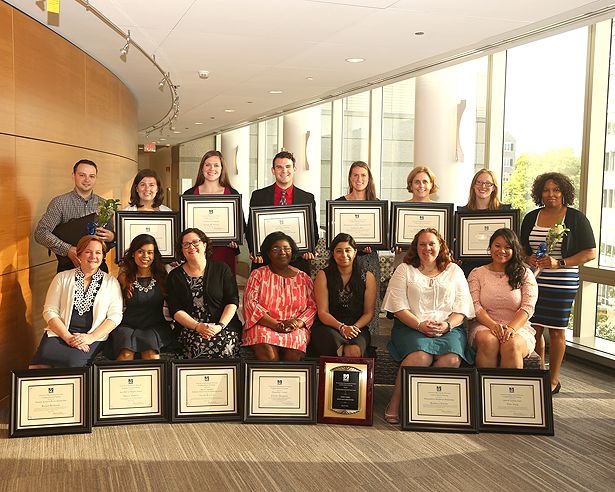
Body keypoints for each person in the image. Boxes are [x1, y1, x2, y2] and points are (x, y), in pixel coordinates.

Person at [381, 228, 474, 424]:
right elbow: (397, 306)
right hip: (410, 326)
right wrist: (419, 325)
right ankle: (396, 403)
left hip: (450, 328)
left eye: (432, 243)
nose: (427, 248)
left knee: (451, 360)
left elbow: (463, 306)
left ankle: (428, 408)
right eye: (422, 244)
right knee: (420, 357)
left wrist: (447, 325)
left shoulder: (454, 271)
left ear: (440, 246)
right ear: (416, 247)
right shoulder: (404, 269)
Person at [520, 172, 596, 394]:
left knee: (556, 331)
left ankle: (553, 380)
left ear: (564, 192)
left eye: (556, 190)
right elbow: (522, 249)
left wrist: (559, 262)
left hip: (562, 281)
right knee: (534, 329)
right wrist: (528, 258)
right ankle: (539, 373)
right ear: (539, 193)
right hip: (534, 280)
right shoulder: (531, 217)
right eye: (546, 190)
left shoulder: (575, 218)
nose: (550, 194)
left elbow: (590, 253)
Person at [29, 236, 123, 368]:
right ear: (78, 254)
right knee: (37, 366)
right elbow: (50, 311)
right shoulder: (62, 277)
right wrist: (67, 337)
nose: (93, 256)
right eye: (88, 252)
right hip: (60, 334)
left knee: (72, 365)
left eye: (98, 252)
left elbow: (115, 316)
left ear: (102, 256)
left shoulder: (111, 282)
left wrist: (90, 337)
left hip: (92, 337)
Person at [468, 228, 538, 368]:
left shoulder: (525, 274)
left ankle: (509, 390)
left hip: (518, 327)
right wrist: (493, 326)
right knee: (489, 341)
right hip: (484, 325)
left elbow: (527, 308)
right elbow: (475, 306)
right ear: (490, 247)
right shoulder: (477, 273)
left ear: (514, 250)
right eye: (497, 246)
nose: (502, 251)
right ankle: (485, 389)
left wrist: (511, 328)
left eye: (508, 247)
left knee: (510, 343)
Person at [167, 228, 241, 358]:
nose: (191, 247)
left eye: (195, 242)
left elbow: (232, 301)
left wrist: (220, 326)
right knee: (197, 347)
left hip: (223, 325)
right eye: (186, 244)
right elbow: (176, 310)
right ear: (182, 249)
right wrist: (198, 326)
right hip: (190, 328)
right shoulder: (175, 276)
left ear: (205, 245)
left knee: (225, 346)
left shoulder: (222, 269)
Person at [243, 231, 317, 361]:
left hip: (294, 327)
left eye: (286, 248)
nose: (282, 252)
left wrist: (298, 323)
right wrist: (276, 325)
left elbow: (312, 307)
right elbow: (251, 304)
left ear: (292, 251)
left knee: (295, 351)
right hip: (264, 325)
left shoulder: (304, 278)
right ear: (268, 253)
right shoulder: (258, 274)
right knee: (267, 352)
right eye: (275, 249)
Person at [35, 159, 115, 272]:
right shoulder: (60, 203)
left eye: (92, 176)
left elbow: (109, 241)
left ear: (96, 178)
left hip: (98, 267)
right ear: (73, 175)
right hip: (69, 267)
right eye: (82, 175)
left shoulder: (105, 205)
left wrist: (111, 237)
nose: (87, 180)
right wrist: (67, 249)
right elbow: (41, 232)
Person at [246, 151, 318, 274]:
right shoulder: (258, 196)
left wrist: (309, 249)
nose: (284, 170)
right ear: (273, 170)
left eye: (288, 166)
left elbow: (313, 230)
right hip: (265, 260)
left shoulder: (307, 198)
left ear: (294, 169)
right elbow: (251, 229)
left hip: (297, 261)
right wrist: (256, 251)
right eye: (279, 167)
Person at [308, 233, 376, 357]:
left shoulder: (367, 277)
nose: (344, 255)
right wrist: (342, 327)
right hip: (329, 325)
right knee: (338, 349)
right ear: (333, 254)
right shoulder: (323, 275)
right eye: (339, 251)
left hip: (357, 327)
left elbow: (369, 313)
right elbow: (323, 312)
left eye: (348, 250)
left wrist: (353, 328)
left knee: (353, 351)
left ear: (355, 252)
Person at [111, 234, 174, 360]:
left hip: (155, 325)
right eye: (140, 251)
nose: (145, 256)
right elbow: (114, 306)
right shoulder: (124, 278)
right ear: (133, 254)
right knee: (126, 355)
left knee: (151, 354)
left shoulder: (163, 277)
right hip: (128, 326)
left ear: (154, 255)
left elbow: (174, 304)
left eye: (150, 252)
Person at [336, 161, 381, 333]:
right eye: (355, 175)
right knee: (345, 297)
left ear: (369, 179)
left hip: (368, 259)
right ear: (349, 178)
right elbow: (336, 237)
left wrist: (373, 245)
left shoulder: (376, 204)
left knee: (370, 300)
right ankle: (344, 332)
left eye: (363, 175)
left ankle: (369, 339)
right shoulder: (339, 203)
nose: (359, 179)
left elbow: (381, 235)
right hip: (345, 259)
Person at [183, 150, 241, 274]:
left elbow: (240, 224)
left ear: (222, 168)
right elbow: (183, 229)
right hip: (196, 251)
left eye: (216, 165)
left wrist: (235, 240)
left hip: (224, 251)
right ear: (202, 168)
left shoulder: (232, 194)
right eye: (207, 165)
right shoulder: (189, 195)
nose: (211, 169)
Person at [457, 168, 512, 276]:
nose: (483, 187)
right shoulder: (462, 214)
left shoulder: (505, 212)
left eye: (488, 183)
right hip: (470, 268)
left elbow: (511, 242)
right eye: (479, 183)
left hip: (499, 268)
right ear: (473, 186)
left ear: (493, 188)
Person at [392, 166, 440, 267]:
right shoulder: (400, 210)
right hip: (404, 260)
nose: (421, 185)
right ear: (411, 185)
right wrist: (395, 244)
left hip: (431, 265)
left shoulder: (440, 211)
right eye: (417, 182)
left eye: (425, 182)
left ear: (431, 184)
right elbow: (391, 236)